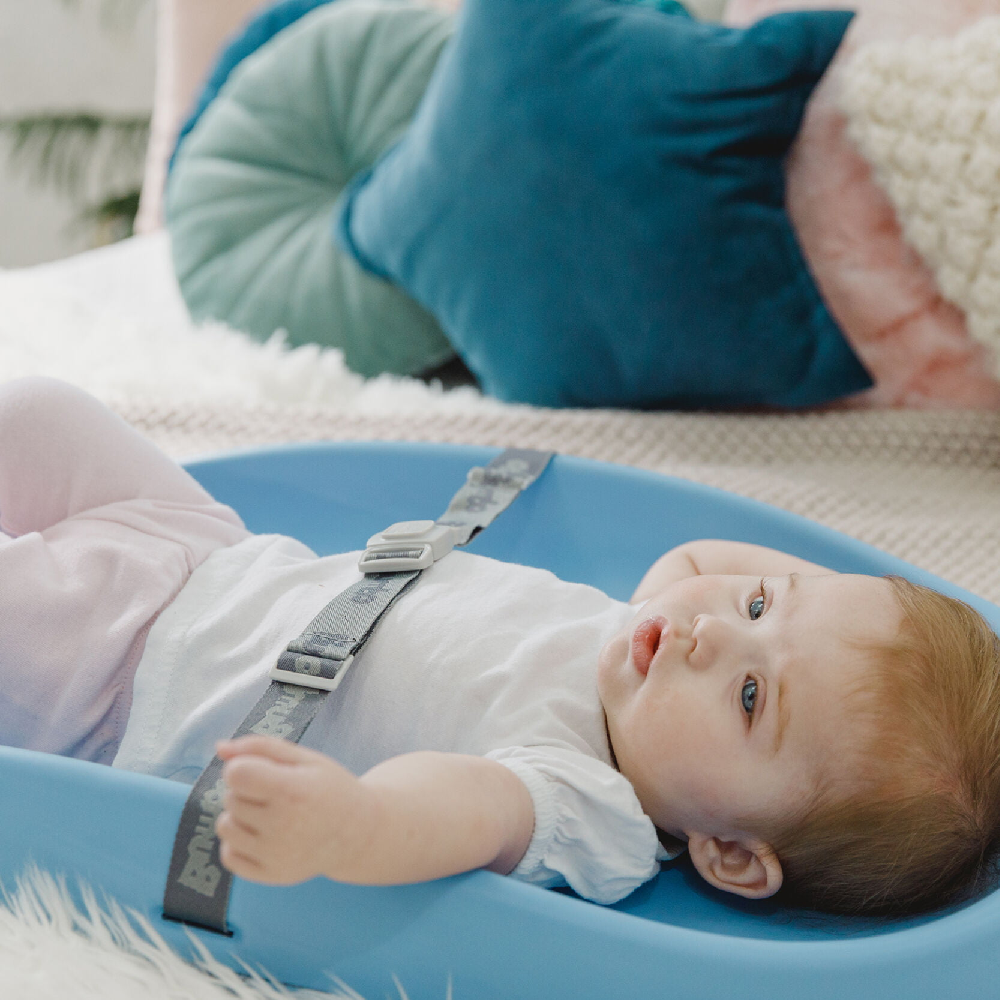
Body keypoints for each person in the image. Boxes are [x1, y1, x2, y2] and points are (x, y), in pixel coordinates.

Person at [2, 376, 998, 917]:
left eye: (749, 697)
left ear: (731, 853)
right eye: (754, 603)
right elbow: (699, 558)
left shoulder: (592, 802)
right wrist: (813, 620)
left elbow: (464, 811)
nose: (704, 633)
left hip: (123, 678)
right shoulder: (645, 637)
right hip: (209, 552)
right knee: (42, 414)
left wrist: (349, 824)